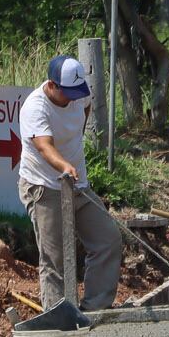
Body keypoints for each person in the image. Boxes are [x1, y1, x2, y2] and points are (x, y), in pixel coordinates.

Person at [16, 55, 122, 311]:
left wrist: (75, 146)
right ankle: (60, 316)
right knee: (56, 258)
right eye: (68, 93)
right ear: (52, 85)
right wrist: (65, 166)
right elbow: (43, 146)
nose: (74, 98)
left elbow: (83, 110)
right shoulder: (35, 107)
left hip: (78, 186)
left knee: (108, 239)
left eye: (77, 92)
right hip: (44, 187)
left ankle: (95, 308)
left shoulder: (79, 95)